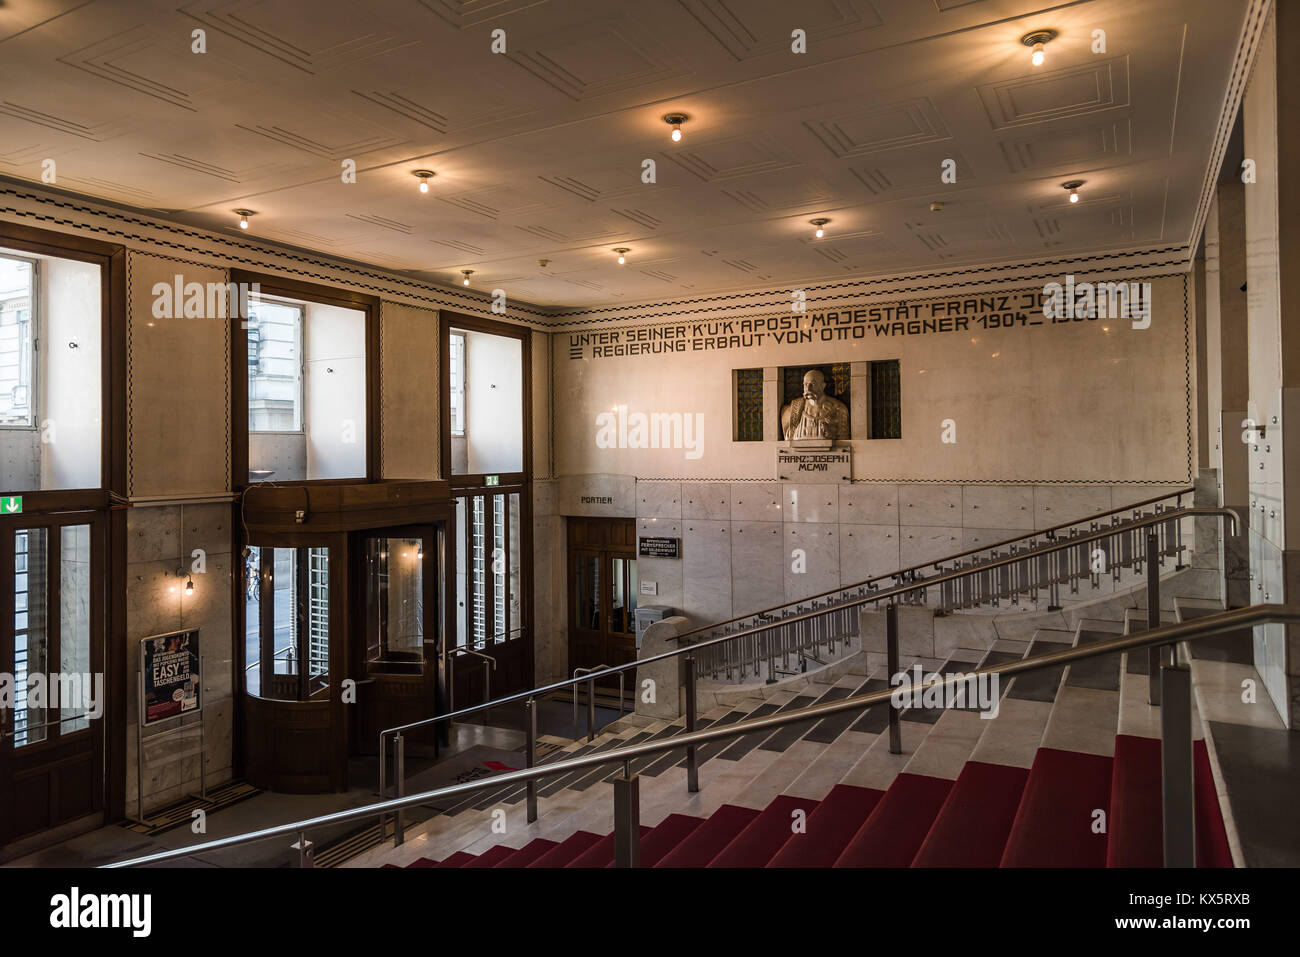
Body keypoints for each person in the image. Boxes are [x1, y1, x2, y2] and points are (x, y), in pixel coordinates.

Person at [780, 369, 849, 440]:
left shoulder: (838, 409)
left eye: (812, 384)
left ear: (823, 386)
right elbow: (788, 439)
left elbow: (844, 441)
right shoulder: (792, 410)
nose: (808, 389)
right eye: (805, 384)